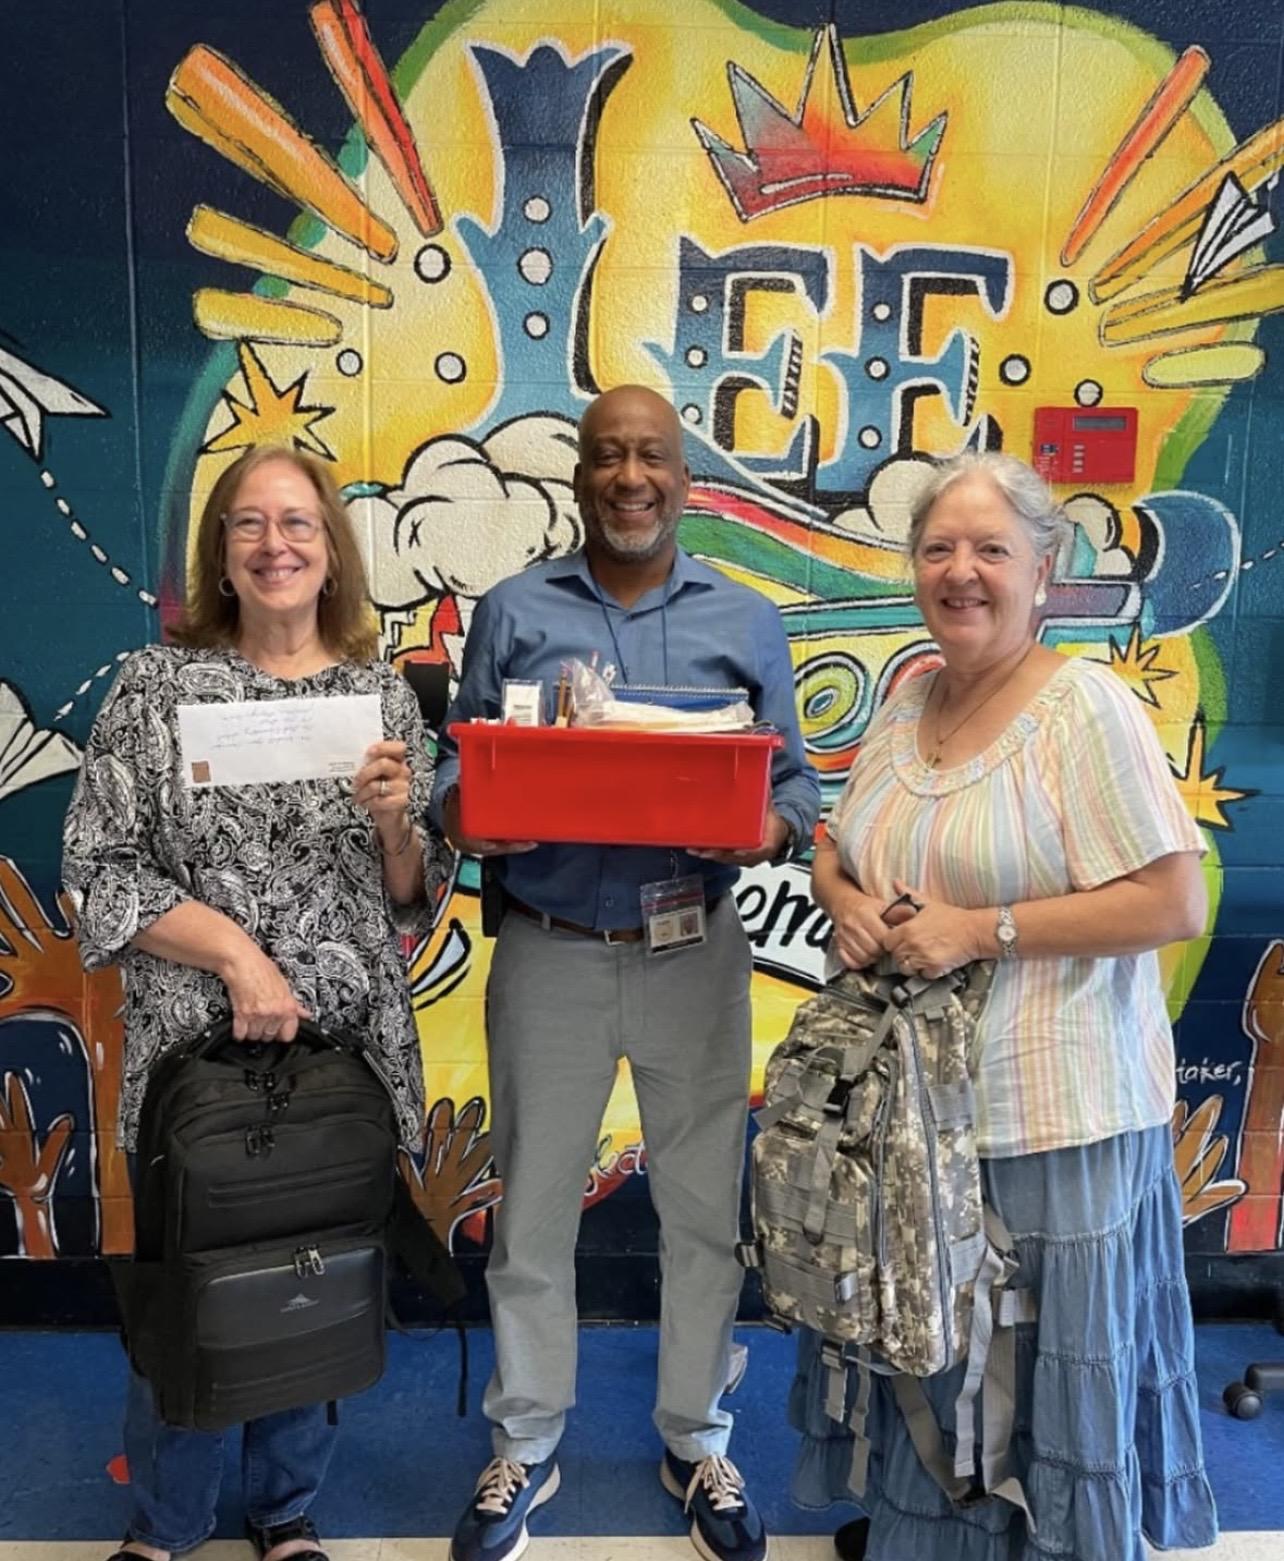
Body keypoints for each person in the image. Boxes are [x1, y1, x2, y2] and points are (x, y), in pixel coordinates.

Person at [793, 451, 1218, 1561]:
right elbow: (840, 851)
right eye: (939, 548)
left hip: (1053, 1117)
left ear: (1046, 568)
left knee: (1030, 1380)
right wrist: (845, 904)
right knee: (941, 1371)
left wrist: (982, 929)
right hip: (919, 1128)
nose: (962, 571)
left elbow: (1176, 896)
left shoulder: (1084, 709)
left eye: (991, 549)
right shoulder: (906, 700)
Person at [432, 384, 821, 1561]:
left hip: (693, 950)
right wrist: (468, 818)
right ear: (580, 474)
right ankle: (527, 1441)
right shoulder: (513, 609)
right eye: (608, 456)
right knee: (533, 1216)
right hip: (548, 949)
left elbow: (798, 791)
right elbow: (458, 777)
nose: (630, 477)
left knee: (704, 1218)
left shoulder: (747, 624)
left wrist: (762, 834)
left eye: (651, 455)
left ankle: (696, 1439)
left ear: (685, 478)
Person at [62, 444, 453, 1561]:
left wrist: (394, 823)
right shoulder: (156, 686)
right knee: (194, 1279)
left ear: (330, 551)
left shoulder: (382, 696)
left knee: (311, 1272)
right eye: (248, 524)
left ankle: (285, 1510)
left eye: (297, 523)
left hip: (343, 1052)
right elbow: (100, 868)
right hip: (197, 1059)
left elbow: (412, 903)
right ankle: (168, 1522)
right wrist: (238, 957)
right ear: (221, 556)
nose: (274, 543)